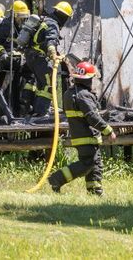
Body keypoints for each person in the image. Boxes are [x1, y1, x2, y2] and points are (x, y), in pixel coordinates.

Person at [48, 61, 116, 195]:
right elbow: (92, 117)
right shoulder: (83, 95)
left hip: (81, 136)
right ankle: (57, 178)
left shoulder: (69, 93)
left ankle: (95, 190)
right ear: (88, 79)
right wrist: (108, 130)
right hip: (86, 136)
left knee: (95, 164)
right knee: (87, 163)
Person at [17, 1, 74, 119]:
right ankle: (41, 113)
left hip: (30, 56)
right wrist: (53, 55)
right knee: (49, 84)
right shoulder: (53, 24)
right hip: (39, 57)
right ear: (64, 16)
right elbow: (51, 41)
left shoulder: (45, 20)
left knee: (40, 84)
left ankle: (31, 110)